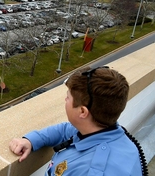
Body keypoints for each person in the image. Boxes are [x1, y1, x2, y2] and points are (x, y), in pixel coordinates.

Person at [9, 66, 143, 176]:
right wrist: (31, 140)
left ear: (83, 112)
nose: (65, 100)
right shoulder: (99, 129)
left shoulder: (93, 171)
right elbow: (65, 130)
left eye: (68, 97)